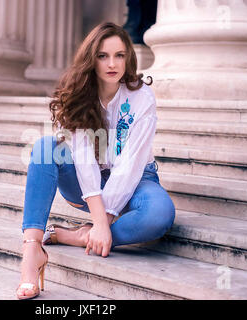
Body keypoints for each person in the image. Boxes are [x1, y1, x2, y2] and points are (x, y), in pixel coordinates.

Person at [16, 22, 175, 300]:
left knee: (160, 214)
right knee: (44, 147)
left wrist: (103, 223)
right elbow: (84, 161)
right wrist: (100, 218)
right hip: (86, 185)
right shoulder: (81, 94)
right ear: (91, 59)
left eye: (120, 55)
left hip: (138, 180)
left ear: (129, 57)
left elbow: (130, 165)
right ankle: (32, 251)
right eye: (103, 56)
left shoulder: (141, 97)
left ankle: (77, 236)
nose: (112, 63)